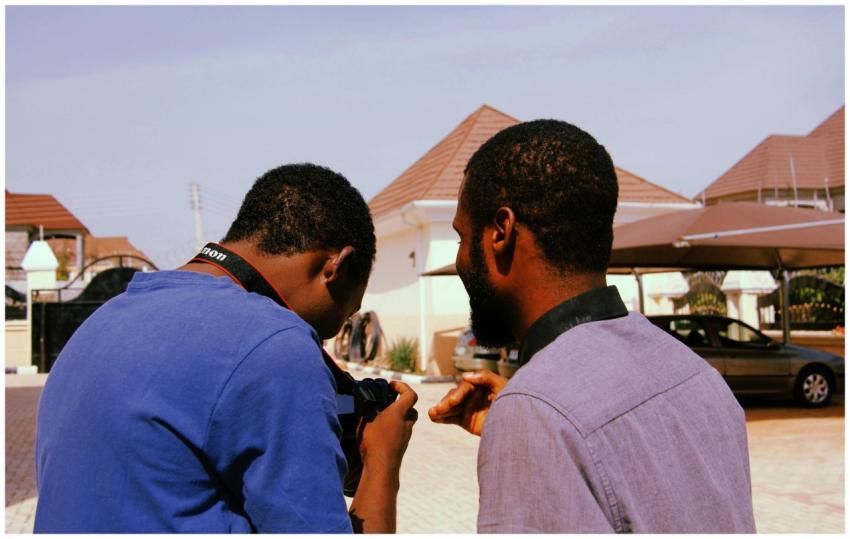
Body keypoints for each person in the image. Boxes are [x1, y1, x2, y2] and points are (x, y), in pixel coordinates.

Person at [35, 163, 418, 533]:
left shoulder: (104, 320)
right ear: (337, 266)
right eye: (344, 316)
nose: (327, 336)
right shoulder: (275, 345)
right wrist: (382, 460)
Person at [428, 120, 756, 533]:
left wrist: (534, 420)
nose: (460, 258)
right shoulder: (696, 373)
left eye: (461, 237)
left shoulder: (536, 411)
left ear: (501, 232)